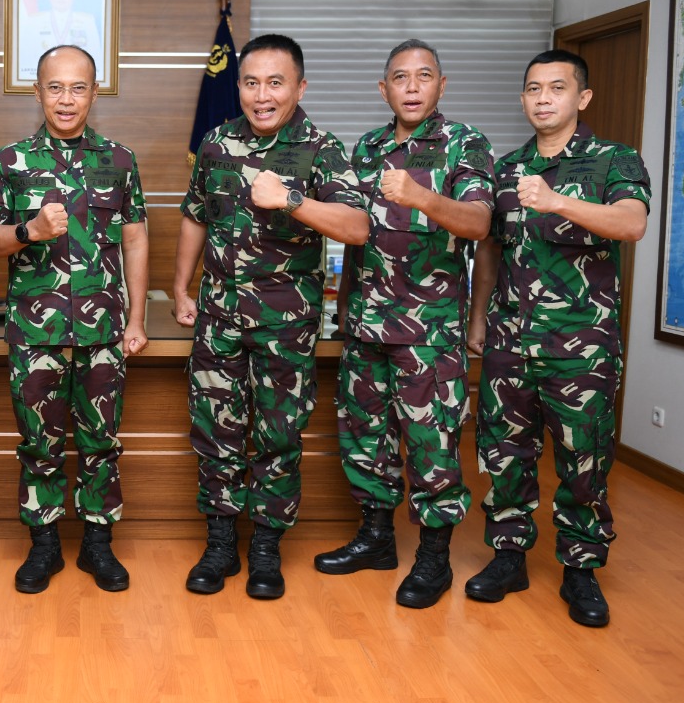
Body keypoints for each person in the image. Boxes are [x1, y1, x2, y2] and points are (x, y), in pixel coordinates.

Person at [173, 33, 370, 600]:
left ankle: (265, 547)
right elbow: (195, 216)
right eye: (251, 83)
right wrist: (180, 287)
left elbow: (357, 228)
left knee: (278, 435)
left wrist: (291, 200)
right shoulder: (216, 143)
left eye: (275, 83)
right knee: (215, 430)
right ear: (238, 87)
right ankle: (220, 544)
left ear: (300, 88)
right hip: (219, 317)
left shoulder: (320, 148)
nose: (262, 96)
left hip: (286, 324)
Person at [466, 49, 650, 628]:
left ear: (582, 97)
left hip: (581, 347)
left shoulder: (613, 160)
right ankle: (508, 557)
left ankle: (581, 568)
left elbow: (632, 223)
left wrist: (557, 201)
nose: (543, 98)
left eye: (557, 87)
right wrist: (478, 318)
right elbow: (490, 250)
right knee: (504, 453)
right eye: (533, 89)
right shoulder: (506, 168)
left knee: (583, 459)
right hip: (509, 341)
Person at [313, 39, 494, 609]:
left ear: (442, 84)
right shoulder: (367, 148)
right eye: (399, 77)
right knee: (364, 439)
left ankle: (434, 559)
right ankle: (376, 539)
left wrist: (421, 196)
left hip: (428, 332)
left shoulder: (464, 143)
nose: (412, 87)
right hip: (367, 325)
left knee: (431, 445)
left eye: (424, 76)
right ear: (383, 88)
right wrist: (344, 302)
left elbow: (479, 224)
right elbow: (354, 234)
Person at [0, 44, 148, 594]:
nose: (66, 99)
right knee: (39, 441)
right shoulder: (9, 162)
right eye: (55, 87)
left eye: (78, 88)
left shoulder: (120, 160)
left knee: (102, 441)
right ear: (38, 92)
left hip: (103, 329)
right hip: (36, 330)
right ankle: (44, 545)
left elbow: (135, 239)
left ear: (94, 93)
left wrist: (137, 319)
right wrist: (28, 231)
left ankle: (98, 544)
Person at [19, 0, 103, 81]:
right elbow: (26, 56)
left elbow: (96, 59)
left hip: (77, 80)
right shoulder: (34, 21)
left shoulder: (87, 21)